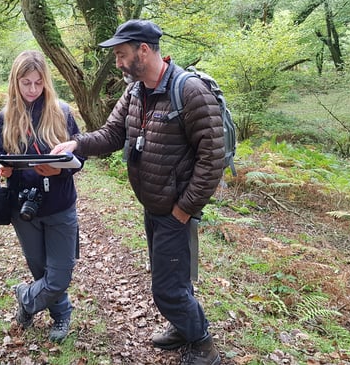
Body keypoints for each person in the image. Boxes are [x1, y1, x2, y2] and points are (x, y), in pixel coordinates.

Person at [51, 20, 225, 365]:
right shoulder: (135, 92)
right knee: (174, 280)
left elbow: (213, 157)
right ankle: (183, 328)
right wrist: (76, 144)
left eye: (121, 54)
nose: (118, 62)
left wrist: (184, 209)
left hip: (175, 209)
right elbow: (113, 134)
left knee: (166, 289)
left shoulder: (189, 91)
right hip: (154, 205)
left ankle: (203, 345)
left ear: (143, 50)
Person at [0, 50, 84, 343]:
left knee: (59, 276)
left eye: (37, 83)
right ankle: (61, 315)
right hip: (23, 208)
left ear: (46, 81)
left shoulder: (63, 111)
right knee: (40, 269)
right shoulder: (6, 116)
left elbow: (79, 153)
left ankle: (25, 298)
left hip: (60, 205)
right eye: (25, 83)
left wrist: (60, 172)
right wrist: (1, 169)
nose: (32, 90)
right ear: (15, 83)